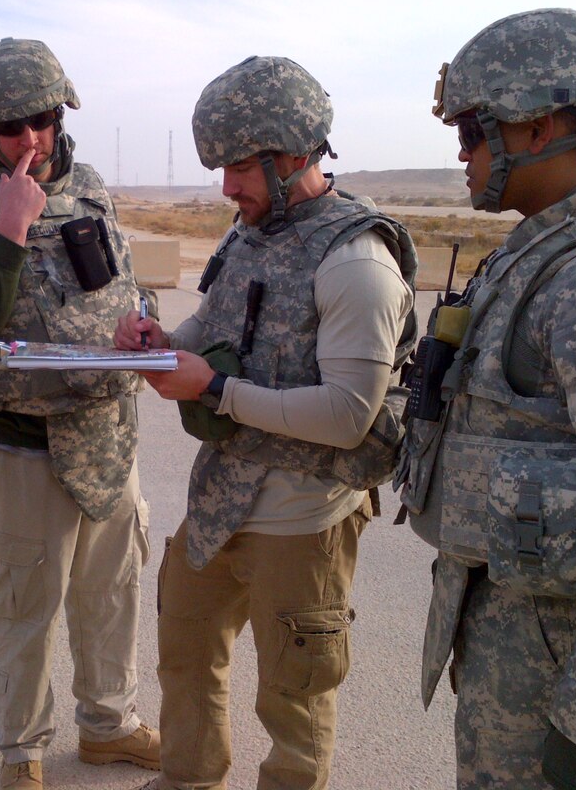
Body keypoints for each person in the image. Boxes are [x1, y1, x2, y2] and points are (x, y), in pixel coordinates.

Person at [397, 8, 576, 789]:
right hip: (519, 640)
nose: (461, 156)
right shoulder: (541, 255)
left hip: (559, 667)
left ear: (539, 126)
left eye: (471, 133)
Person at [116, 56, 415, 790]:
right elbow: (216, 326)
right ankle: (187, 779)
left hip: (303, 516)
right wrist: (167, 349)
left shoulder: (356, 261)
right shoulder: (248, 232)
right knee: (184, 657)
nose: (226, 187)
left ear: (294, 155)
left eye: (240, 168)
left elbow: (349, 415)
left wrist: (215, 388)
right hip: (221, 501)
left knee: (294, 693)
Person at [0, 37, 158, 790]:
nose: (30, 141)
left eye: (42, 121)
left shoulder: (88, 184)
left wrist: (139, 321)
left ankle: (108, 725)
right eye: (10, 127)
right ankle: (21, 752)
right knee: (21, 607)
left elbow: (117, 284)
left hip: (109, 436)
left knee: (112, 594)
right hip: (22, 449)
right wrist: (12, 224)